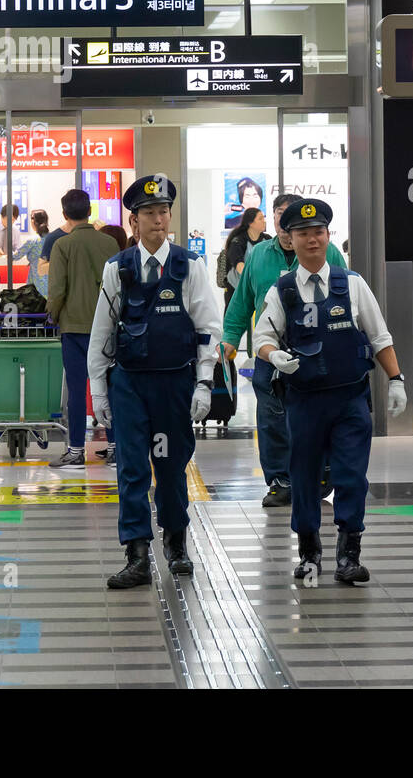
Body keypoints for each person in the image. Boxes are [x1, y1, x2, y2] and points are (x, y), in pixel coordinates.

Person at [254, 198, 406, 584]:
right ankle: (308, 553)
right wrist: (275, 357)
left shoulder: (351, 284)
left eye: (318, 232)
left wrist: (396, 379)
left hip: (350, 400)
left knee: (352, 475)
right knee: (303, 477)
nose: (312, 240)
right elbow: (263, 338)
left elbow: (379, 335)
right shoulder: (282, 290)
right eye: (303, 233)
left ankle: (349, 554)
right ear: (290, 237)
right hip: (304, 403)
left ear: (327, 236)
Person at [87, 174, 222, 588]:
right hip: (129, 384)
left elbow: (208, 328)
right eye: (149, 213)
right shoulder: (118, 269)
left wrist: (203, 383)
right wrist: (98, 391)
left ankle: (176, 543)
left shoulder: (189, 265)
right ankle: (137, 554)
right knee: (131, 469)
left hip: (173, 383)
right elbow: (102, 333)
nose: (159, 219)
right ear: (134, 221)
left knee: (171, 465)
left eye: (163, 211)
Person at [222, 192, 346, 508]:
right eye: (277, 212)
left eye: (287, 212)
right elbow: (241, 302)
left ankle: (321, 471)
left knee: (320, 413)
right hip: (270, 350)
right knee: (272, 417)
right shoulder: (260, 255)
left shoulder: (329, 252)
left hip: (318, 350)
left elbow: (346, 300)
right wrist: (230, 340)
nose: (280, 218)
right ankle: (280, 480)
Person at [47, 189, 118, 470]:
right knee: (110, 388)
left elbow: (57, 290)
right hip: (107, 328)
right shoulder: (111, 244)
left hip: (74, 328)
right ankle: (114, 448)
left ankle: (76, 450)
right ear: (90, 211)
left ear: (65, 214)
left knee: (76, 391)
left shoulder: (62, 246)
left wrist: (51, 316)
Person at [220, 207, 268, 313]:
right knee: (235, 321)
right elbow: (239, 265)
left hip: (259, 288)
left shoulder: (268, 240)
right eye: (260, 218)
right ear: (251, 223)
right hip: (236, 288)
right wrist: (252, 279)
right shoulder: (238, 240)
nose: (264, 221)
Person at [23, 209, 51, 296]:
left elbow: (15, 256)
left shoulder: (32, 241)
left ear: (34, 221)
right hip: (50, 282)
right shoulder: (53, 238)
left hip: (35, 282)